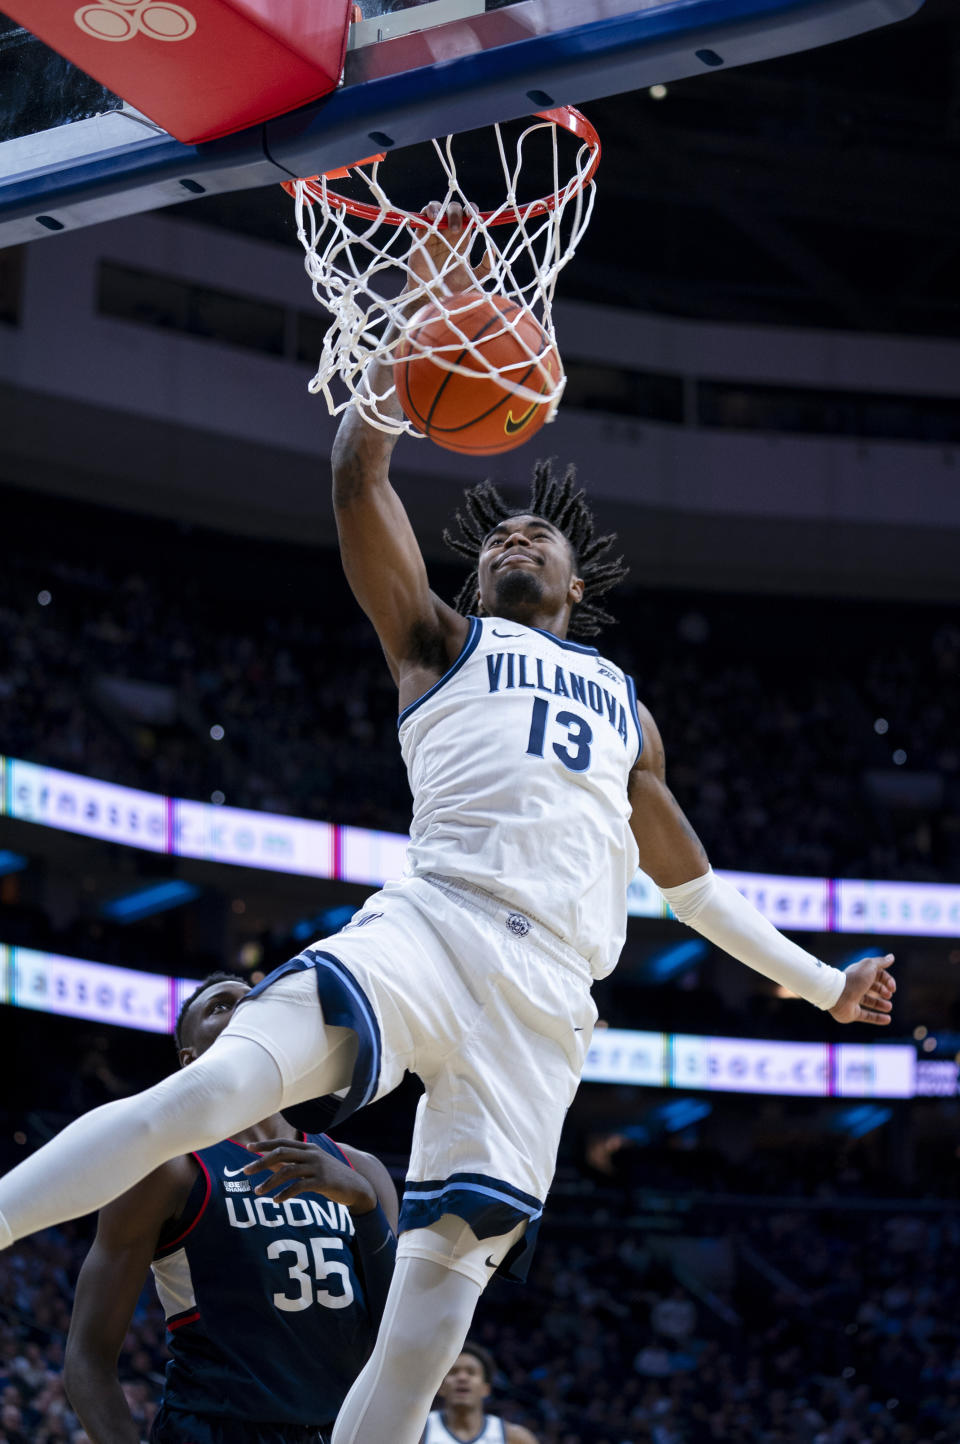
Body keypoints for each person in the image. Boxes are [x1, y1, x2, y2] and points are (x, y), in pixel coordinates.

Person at [0, 205, 896, 1444]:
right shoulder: (438, 640)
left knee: (426, 1327)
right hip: (435, 925)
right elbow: (356, 475)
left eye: (542, 535)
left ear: (580, 587)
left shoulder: (629, 709)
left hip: (549, 1004)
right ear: (474, 582)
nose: (519, 533)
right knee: (201, 1098)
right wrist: (411, 326)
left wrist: (818, 982)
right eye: (498, 540)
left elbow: (691, 887)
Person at [63, 973, 398, 1444]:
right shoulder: (168, 1169)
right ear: (190, 1060)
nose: (246, 1009)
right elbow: (86, 1359)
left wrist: (364, 1205)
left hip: (339, 1431)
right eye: (221, 1006)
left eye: (257, 1000)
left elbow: (401, 1333)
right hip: (215, 1430)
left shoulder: (359, 1169)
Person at [423, 1343, 537, 1444]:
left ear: (486, 1389)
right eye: (453, 1372)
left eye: (471, 1372)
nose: (462, 1378)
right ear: (441, 1387)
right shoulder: (419, 1433)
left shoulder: (516, 1438)